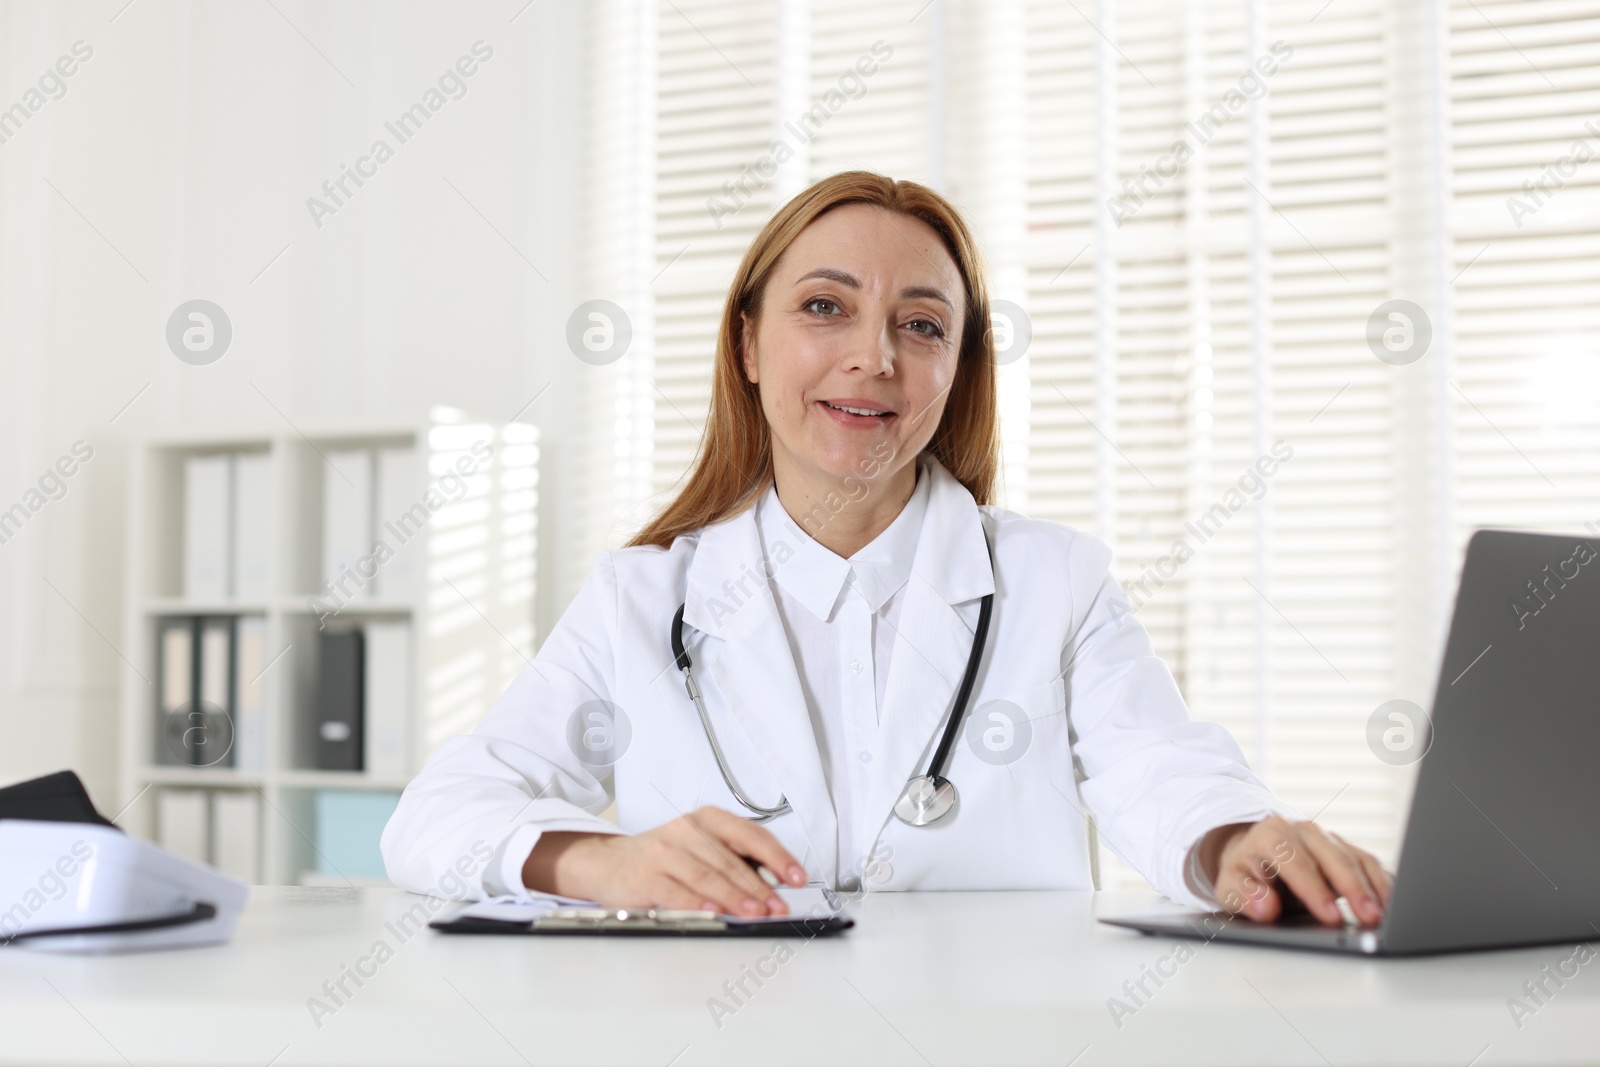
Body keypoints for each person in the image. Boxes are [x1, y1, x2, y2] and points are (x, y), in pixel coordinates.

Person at [381, 171, 1391, 927]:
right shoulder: (641, 599)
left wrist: (1233, 843)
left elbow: (1158, 769)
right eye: (825, 307)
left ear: (956, 368)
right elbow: (434, 817)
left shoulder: (1054, 581)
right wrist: (601, 862)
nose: (874, 356)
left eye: (921, 324)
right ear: (746, 341)